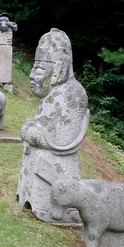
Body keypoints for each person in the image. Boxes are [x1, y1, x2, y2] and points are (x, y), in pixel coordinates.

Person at [17, 28, 90, 224]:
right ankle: (29, 198)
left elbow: (61, 139)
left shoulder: (73, 94)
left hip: (55, 164)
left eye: (39, 69)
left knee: (40, 153)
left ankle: (50, 206)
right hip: (42, 155)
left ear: (58, 67)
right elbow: (41, 123)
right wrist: (32, 130)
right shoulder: (52, 94)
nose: (32, 75)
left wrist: (31, 132)